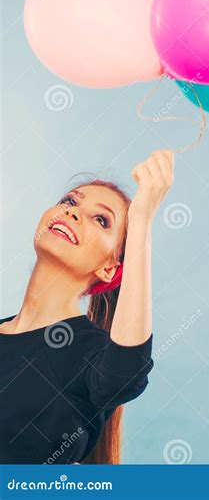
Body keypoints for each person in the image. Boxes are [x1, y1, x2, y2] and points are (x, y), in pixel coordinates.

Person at [0, 149, 174, 464]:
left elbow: (126, 370)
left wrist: (142, 218)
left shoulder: (85, 353)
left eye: (101, 219)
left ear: (110, 268)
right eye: (70, 201)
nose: (73, 212)